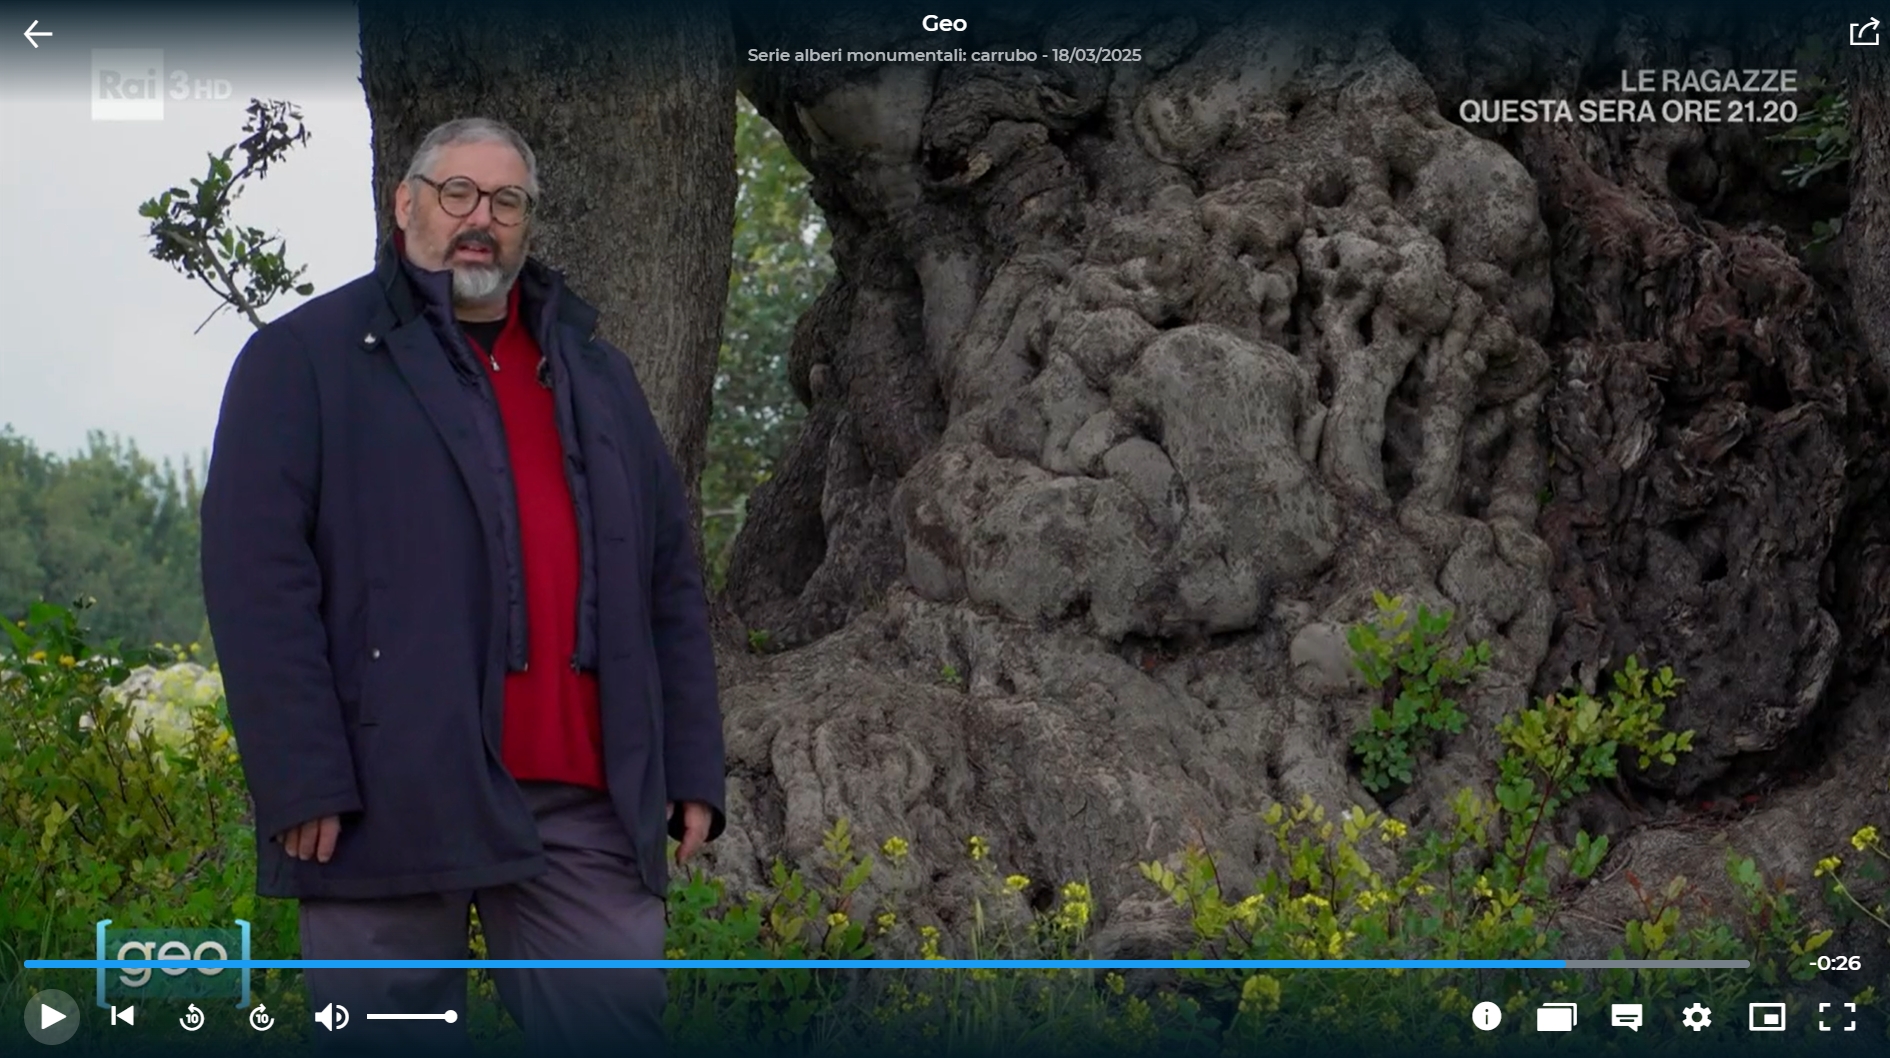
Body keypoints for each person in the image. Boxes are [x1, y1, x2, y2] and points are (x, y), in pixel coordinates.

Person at [200, 116, 727, 1053]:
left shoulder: (598, 375)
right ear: (404, 204)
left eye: (506, 201)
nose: (481, 219)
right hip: (385, 796)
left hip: (583, 799)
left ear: (527, 222)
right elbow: (257, 582)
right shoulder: (305, 360)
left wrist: (688, 764)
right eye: (458, 194)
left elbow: (668, 582)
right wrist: (300, 775)